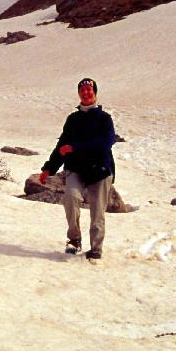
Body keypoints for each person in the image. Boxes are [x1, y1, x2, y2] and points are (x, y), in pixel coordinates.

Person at [39, 78, 115, 260]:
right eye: (82, 90)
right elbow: (62, 146)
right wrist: (48, 169)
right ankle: (74, 240)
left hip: (100, 170)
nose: (86, 93)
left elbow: (105, 143)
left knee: (97, 212)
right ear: (79, 94)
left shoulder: (104, 119)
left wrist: (76, 148)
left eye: (89, 89)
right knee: (71, 198)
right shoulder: (73, 119)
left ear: (95, 93)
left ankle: (96, 249)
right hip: (77, 169)